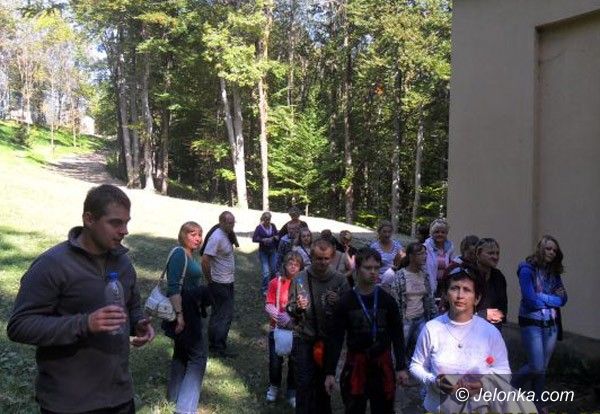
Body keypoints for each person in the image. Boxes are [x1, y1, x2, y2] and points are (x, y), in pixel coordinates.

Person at [7, 184, 155, 414]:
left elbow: (131, 306)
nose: (124, 231)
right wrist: (84, 324)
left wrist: (138, 323)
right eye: (115, 223)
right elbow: (19, 326)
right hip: (69, 403)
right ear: (89, 219)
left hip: (120, 397)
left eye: (126, 223)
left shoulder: (123, 263)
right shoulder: (53, 264)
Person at [409, 267, 511, 413]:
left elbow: (504, 372)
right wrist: (433, 381)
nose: (460, 295)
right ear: (445, 294)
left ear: (477, 298)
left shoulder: (490, 333)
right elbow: (416, 365)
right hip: (438, 409)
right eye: (454, 288)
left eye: (467, 290)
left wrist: (482, 385)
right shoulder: (432, 328)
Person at [324, 247, 409, 414]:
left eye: (376, 268)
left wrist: (400, 366)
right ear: (357, 268)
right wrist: (330, 372)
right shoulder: (346, 302)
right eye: (368, 268)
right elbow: (336, 339)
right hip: (356, 365)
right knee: (354, 409)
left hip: (382, 365)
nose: (373, 272)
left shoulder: (387, 301)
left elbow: (398, 335)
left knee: (384, 409)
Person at [287, 239, 350, 414]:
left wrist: (339, 302)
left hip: (329, 341)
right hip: (304, 338)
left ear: (332, 258)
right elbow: (289, 309)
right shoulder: (300, 278)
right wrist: (297, 307)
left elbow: (349, 311)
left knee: (324, 384)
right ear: (311, 257)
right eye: (318, 258)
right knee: (304, 384)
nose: (322, 262)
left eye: (326, 258)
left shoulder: (340, 280)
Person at [512, 235, 567, 412]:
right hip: (531, 322)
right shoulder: (526, 269)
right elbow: (530, 301)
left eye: (554, 250)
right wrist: (552, 300)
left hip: (551, 324)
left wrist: (542, 296)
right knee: (536, 366)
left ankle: (537, 405)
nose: (551, 252)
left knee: (542, 368)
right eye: (548, 248)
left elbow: (563, 299)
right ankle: (510, 387)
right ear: (540, 249)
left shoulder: (554, 272)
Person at [164, 221, 213, 414]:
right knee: (198, 357)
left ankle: (174, 396)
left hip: (191, 307)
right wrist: (180, 316)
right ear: (183, 235)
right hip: (184, 310)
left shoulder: (190, 255)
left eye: (199, 234)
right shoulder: (179, 253)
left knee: (182, 352)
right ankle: (185, 409)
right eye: (193, 234)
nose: (198, 238)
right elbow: (173, 287)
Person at [381, 242, 436, 359]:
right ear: (411, 256)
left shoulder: (424, 275)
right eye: (420, 254)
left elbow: (429, 298)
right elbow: (395, 300)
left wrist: (433, 316)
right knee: (400, 349)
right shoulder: (400, 275)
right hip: (406, 320)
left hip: (421, 318)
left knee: (420, 350)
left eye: (425, 253)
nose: (424, 256)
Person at [264, 251, 304, 407]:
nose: (293, 267)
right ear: (285, 265)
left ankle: (292, 391)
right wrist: (281, 318)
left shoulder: (302, 283)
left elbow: (305, 306)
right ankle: (274, 386)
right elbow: (269, 304)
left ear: (300, 267)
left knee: (294, 362)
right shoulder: (276, 282)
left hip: (296, 330)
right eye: (290, 263)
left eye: (296, 265)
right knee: (275, 361)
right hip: (277, 328)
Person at [202, 211, 237, 358]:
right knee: (224, 315)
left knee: (218, 314)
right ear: (221, 222)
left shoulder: (226, 234)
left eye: (233, 222)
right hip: (219, 283)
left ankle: (214, 345)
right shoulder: (216, 237)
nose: (232, 225)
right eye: (229, 222)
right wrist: (210, 281)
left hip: (227, 281)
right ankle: (218, 347)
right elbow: (205, 260)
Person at [475, 238, 507, 330]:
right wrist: (481, 315)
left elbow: (502, 309)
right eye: (490, 253)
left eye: (497, 253)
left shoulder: (499, 277)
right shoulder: (468, 275)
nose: (495, 257)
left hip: (493, 327)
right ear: (478, 254)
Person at [424, 218, 455, 297]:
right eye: (437, 232)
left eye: (443, 232)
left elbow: (452, 265)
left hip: (444, 283)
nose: (440, 234)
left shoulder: (450, 247)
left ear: (446, 234)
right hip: (429, 283)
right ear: (432, 233)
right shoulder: (426, 247)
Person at [252, 212, 279, 295]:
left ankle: (272, 286)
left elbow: (277, 235)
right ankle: (265, 288)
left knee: (274, 270)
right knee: (266, 272)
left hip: (273, 251)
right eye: (266, 219)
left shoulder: (273, 226)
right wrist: (262, 240)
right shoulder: (259, 228)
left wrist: (275, 237)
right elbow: (254, 239)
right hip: (263, 252)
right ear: (263, 219)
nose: (267, 221)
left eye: (269, 219)